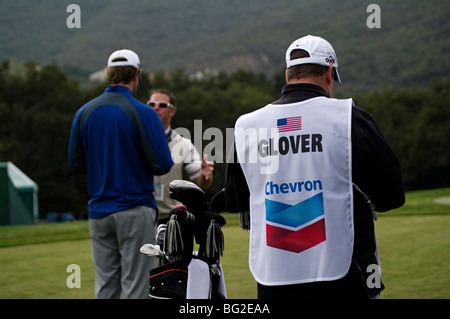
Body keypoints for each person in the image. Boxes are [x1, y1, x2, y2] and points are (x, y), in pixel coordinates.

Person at [224, 35, 405, 299]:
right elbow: (392, 196)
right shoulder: (351, 117)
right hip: (347, 275)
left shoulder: (247, 126)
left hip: (274, 277)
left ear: (288, 75)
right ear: (330, 73)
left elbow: (237, 202)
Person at [68, 49, 173, 299]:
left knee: (106, 286)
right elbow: (162, 164)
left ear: (109, 74)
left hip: (99, 212)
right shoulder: (145, 113)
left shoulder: (84, 113)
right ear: (136, 74)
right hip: (135, 208)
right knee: (137, 287)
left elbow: (75, 165)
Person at [147, 89, 214, 222]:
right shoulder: (135, 139)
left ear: (172, 111)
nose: (156, 108)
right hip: (141, 216)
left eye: (162, 105)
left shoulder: (184, 144)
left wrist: (205, 175)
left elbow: (202, 183)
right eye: (151, 104)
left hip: (172, 218)